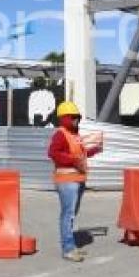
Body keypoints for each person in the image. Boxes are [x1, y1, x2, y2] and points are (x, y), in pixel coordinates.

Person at [47, 101, 101, 262]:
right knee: (68, 214)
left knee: (71, 214)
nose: (76, 120)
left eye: (77, 117)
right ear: (64, 118)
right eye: (73, 117)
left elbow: (80, 155)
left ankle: (72, 247)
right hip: (67, 180)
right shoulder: (61, 134)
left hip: (78, 179)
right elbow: (53, 153)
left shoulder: (75, 135)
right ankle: (68, 249)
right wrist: (72, 159)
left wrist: (92, 151)